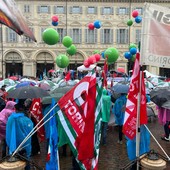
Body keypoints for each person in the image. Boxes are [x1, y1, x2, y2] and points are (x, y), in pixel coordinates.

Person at [6, 102, 33, 170]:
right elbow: (30, 130)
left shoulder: (10, 118)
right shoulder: (26, 120)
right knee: (26, 160)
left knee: (15, 161)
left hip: (13, 144)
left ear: (15, 109)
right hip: (24, 144)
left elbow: (8, 131)